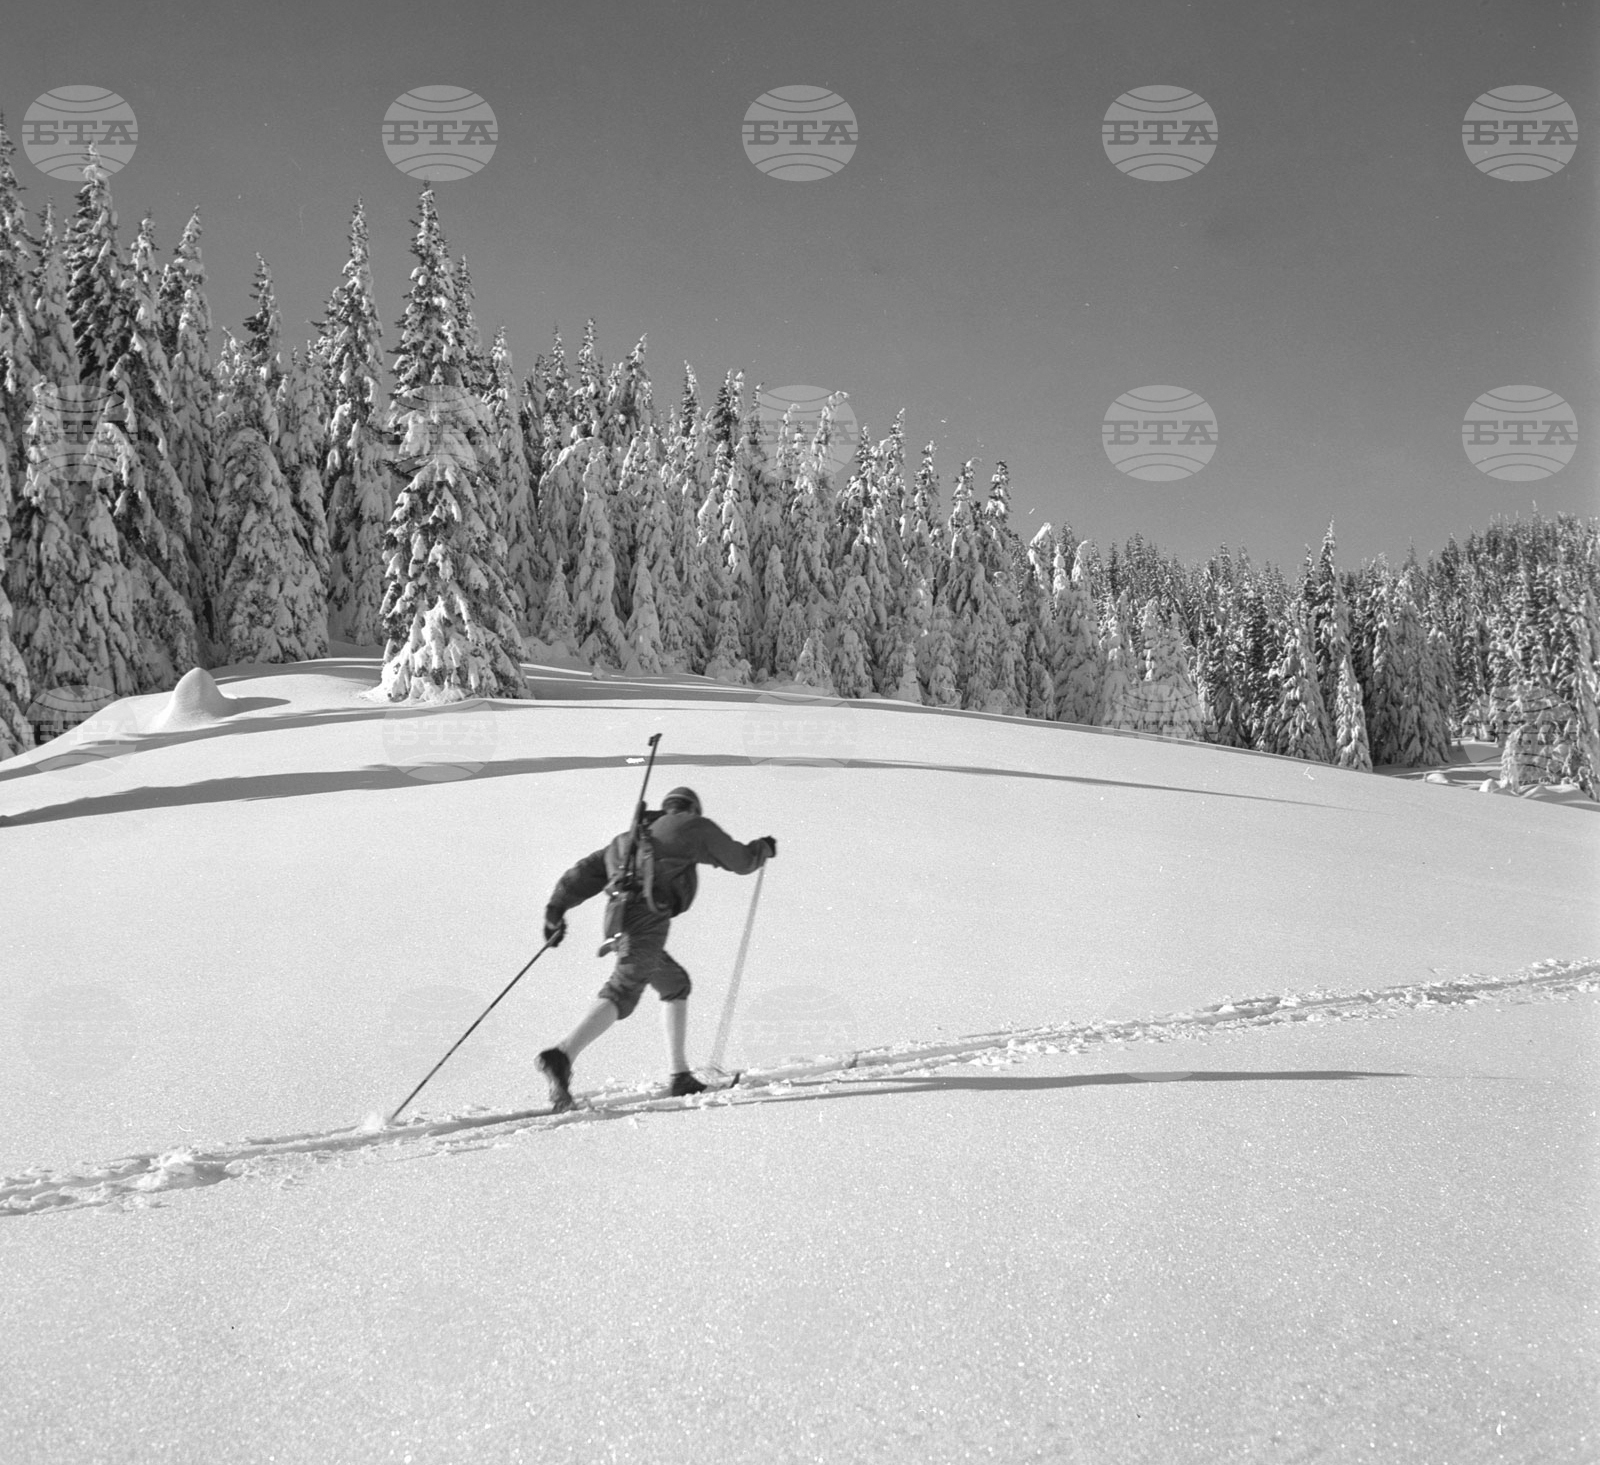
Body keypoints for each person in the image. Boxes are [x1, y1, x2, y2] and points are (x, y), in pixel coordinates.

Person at [537, 786, 775, 1111]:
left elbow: (587, 872)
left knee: (674, 983)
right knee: (624, 989)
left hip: (620, 923)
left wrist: (556, 909)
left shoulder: (630, 838)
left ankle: (680, 1076)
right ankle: (562, 1055)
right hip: (648, 919)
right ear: (692, 809)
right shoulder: (691, 826)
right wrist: (762, 849)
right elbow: (740, 861)